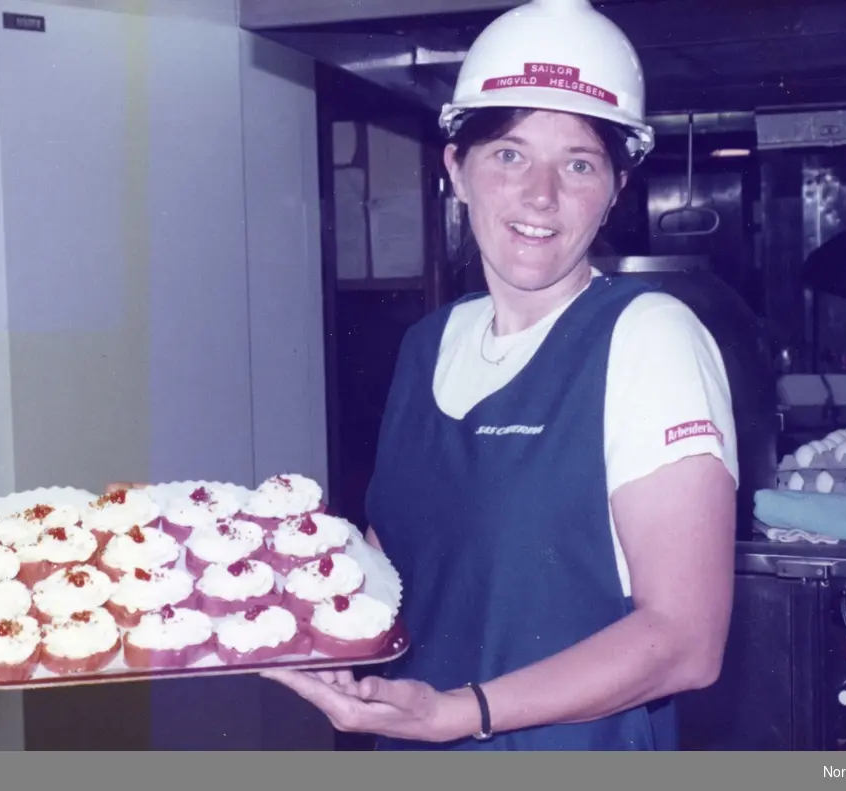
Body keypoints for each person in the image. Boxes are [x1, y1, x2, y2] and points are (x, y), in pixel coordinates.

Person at [258, 0, 739, 750]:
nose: (540, 194)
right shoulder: (429, 343)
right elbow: (400, 571)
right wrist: (280, 604)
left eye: (578, 163)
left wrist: (461, 712)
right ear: (457, 168)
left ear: (614, 187)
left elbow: (685, 640)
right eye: (509, 154)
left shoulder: (648, 336)